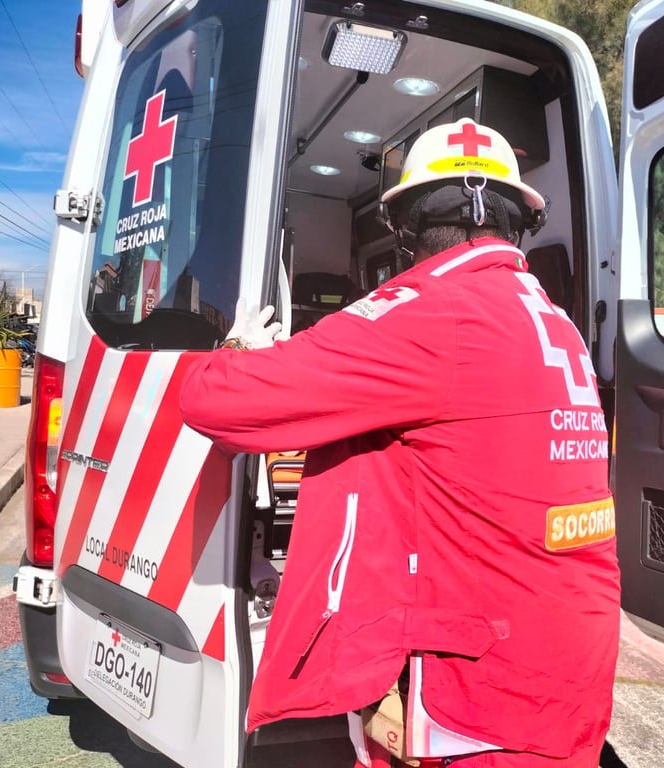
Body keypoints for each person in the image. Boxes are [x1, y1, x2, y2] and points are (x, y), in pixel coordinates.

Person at [179, 118, 620, 768]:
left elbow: (215, 400)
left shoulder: (426, 314)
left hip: (481, 702)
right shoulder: (555, 322)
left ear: (408, 227)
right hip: (571, 669)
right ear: (516, 222)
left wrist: (239, 348)